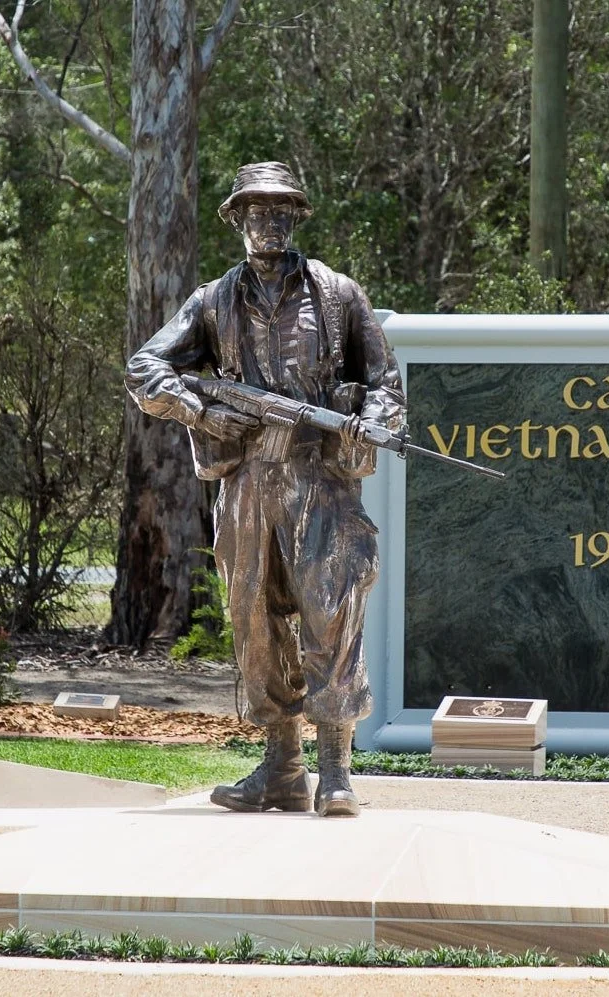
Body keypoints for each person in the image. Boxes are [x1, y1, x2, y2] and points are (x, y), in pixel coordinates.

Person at [125, 161, 404, 818]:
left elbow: (387, 384)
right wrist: (198, 411)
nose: (268, 222)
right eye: (256, 211)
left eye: (281, 211)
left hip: (323, 480)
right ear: (237, 220)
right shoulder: (211, 301)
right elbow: (144, 368)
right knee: (253, 620)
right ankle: (281, 766)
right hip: (248, 481)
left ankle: (335, 769)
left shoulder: (338, 296)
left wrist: (370, 419)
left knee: (331, 613)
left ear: (297, 217)